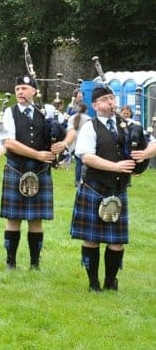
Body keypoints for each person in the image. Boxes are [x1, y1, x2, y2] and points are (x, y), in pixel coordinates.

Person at [72, 86, 156, 292]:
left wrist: (144, 155)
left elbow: (152, 144)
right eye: (104, 100)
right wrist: (116, 166)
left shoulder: (129, 126)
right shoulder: (89, 127)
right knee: (91, 239)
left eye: (111, 98)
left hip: (118, 190)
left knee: (116, 241)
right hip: (94, 187)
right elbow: (86, 157)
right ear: (94, 105)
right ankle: (93, 283)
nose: (110, 102)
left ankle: (110, 281)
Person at [0, 75, 67, 270]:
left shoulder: (47, 111)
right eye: (17, 88)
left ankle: (35, 263)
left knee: (36, 220)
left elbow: (71, 129)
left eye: (24, 88)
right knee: (13, 219)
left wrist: (64, 143)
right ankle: (11, 261)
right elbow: (9, 143)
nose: (20, 92)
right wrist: (37, 154)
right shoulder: (10, 113)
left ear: (34, 92)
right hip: (16, 168)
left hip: (40, 171)